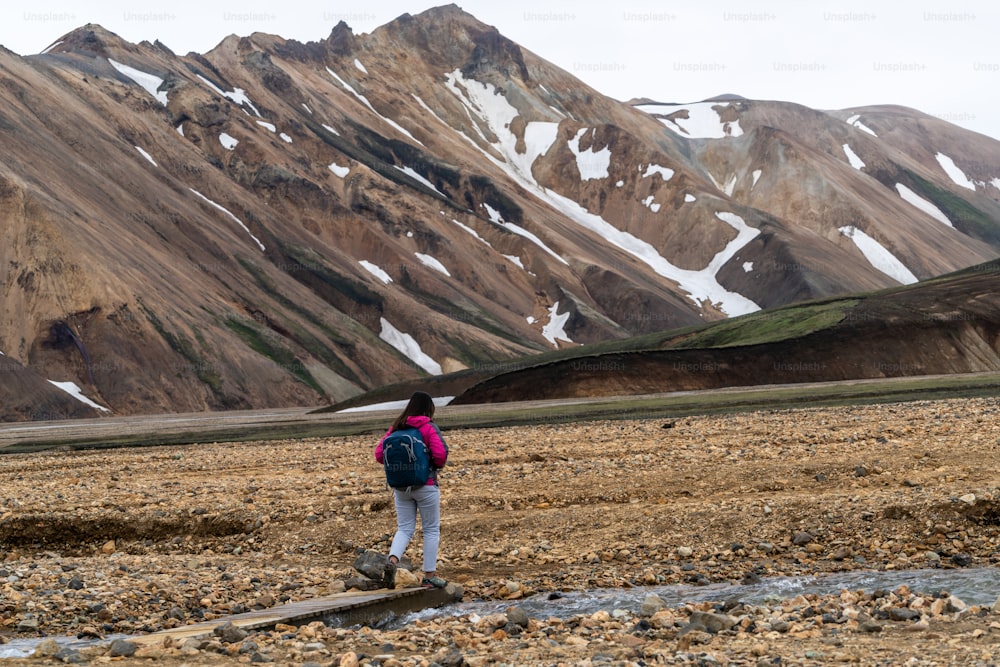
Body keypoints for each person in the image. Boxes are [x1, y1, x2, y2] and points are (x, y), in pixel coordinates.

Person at [374, 391, 448, 589]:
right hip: (426, 485)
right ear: (428, 409)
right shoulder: (428, 427)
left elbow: (379, 455)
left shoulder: (396, 427)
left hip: (400, 487)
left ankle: (392, 562)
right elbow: (440, 456)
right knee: (431, 530)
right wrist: (428, 463)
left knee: (405, 528)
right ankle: (429, 576)